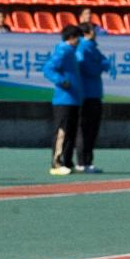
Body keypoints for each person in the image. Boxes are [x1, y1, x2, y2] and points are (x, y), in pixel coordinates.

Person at [43, 24, 83, 176]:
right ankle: (56, 163)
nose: (79, 40)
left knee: (71, 132)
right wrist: (61, 81)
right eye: (77, 37)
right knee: (62, 132)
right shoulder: (63, 51)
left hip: (73, 99)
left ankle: (67, 161)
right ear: (71, 38)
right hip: (63, 99)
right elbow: (48, 69)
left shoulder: (71, 52)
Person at [74, 21, 109, 173]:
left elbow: (106, 62)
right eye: (93, 30)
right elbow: (90, 68)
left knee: (92, 129)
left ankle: (88, 161)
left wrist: (99, 65)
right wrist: (99, 65)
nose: (96, 33)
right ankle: (82, 161)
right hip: (85, 95)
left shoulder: (93, 48)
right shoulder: (82, 48)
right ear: (87, 33)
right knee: (84, 129)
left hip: (94, 94)